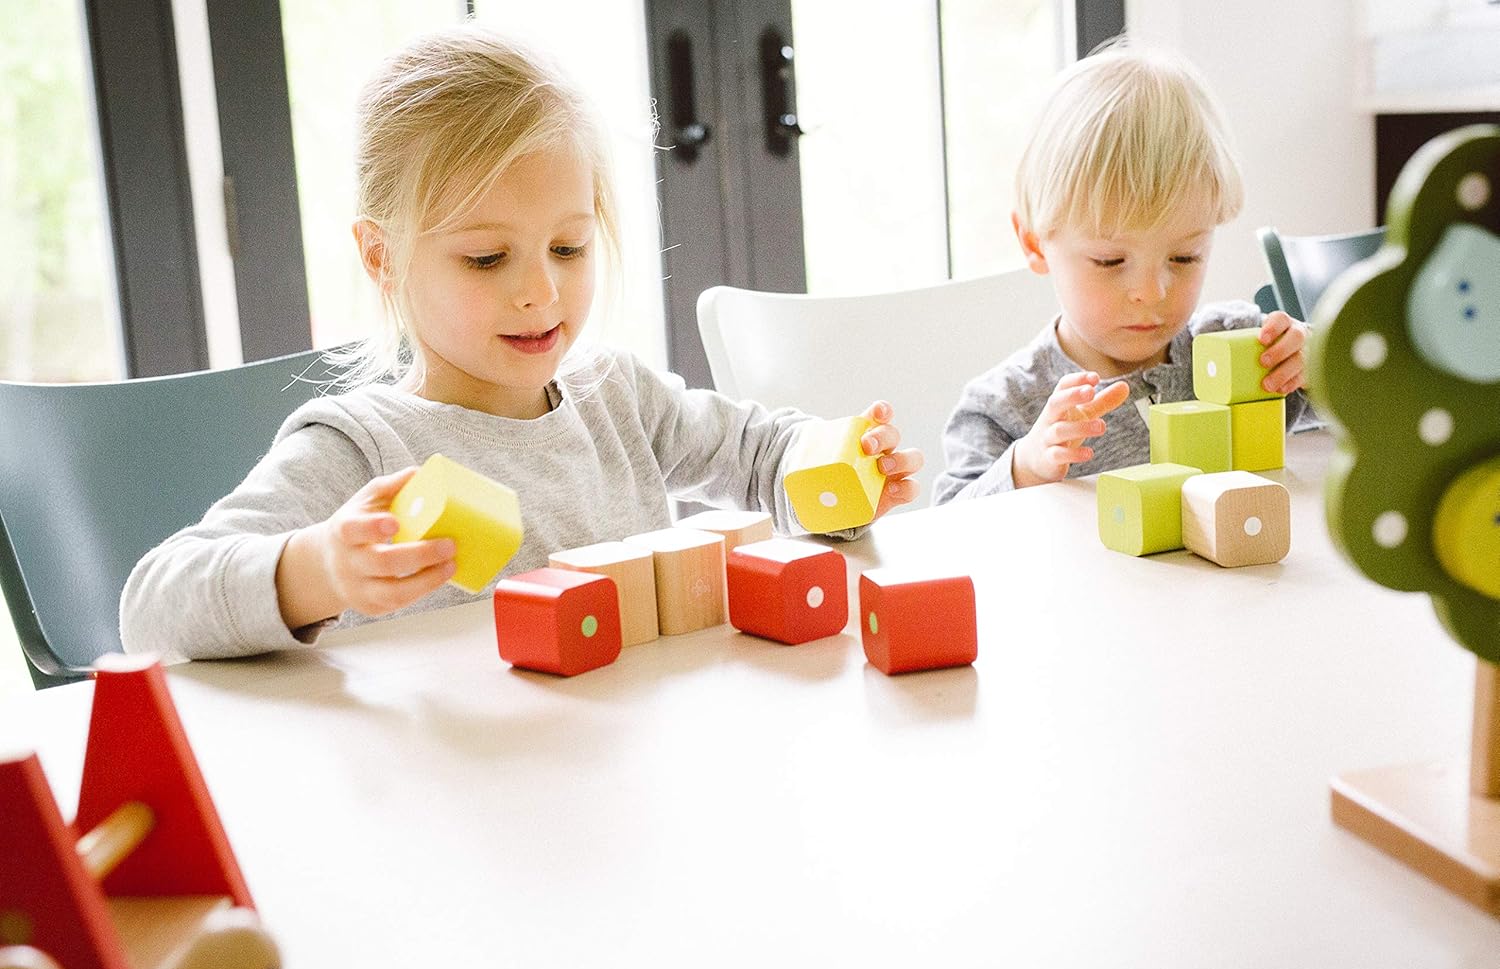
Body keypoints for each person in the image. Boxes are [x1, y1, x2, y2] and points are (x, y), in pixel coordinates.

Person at [120, 24, 921, 661]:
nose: (540, 290)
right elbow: (153, 607)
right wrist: (319, 569)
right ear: (382, 256)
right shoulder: (363, 449)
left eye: (568, 249)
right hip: (467, 805)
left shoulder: (618, 398)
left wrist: (844, 476)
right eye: (486, 258)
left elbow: (760, 454)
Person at [932, 42, 1311, 503]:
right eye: (1111, 261)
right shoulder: (1006, 406)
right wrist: (1024, 468)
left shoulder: (1246, 349)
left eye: (1185, 257)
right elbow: (948, 528)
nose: (1151, 292)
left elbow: (1381, 423)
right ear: (1035, 243)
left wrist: (1326, 363)